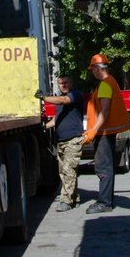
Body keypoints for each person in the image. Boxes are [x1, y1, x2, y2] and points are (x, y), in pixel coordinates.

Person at [82, 53, 130, 214]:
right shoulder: (111, 82)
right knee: (107, 167)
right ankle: (106, 200)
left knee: (103, 168)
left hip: (103, 133)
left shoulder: (104, 85)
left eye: (93, 69)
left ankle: (104, 202)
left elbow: (104, 111)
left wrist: (94, 130)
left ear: (97, 68)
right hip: (106, 132)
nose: (92, 72)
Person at [42, 74, 87, 211]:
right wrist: (44, 126)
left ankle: (66, 201)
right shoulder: (59, 103)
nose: (64, 85)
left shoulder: (75, 95)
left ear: (71, 83)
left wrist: (43, 98)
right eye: (61, 83)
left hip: (73, 140)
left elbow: (63, 100)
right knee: (65, 172)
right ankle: (74, 198)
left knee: (68, 170)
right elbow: (56, 120)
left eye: (66, 82)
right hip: (61, 141)